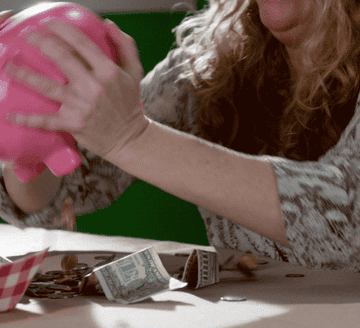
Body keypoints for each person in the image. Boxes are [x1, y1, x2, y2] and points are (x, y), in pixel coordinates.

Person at [1, 0, 360, 272]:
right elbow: (76, 185)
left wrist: (131, 138)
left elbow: (349, 217)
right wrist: (21, 135)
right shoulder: (212, 56)